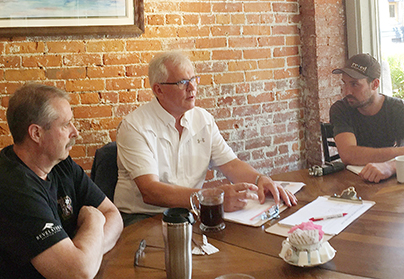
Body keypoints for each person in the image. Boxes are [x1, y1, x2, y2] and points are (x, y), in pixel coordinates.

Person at [114, 51, 297, 225]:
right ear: (159, 90)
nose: (192, 87)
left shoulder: (203, 119)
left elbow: (231, 165)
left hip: (190, 211)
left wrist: (260, 180)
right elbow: (151, 192)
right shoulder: (134, 126)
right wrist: (211, 197)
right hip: (142, 217)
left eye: (194, 79)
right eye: (183, 82)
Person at [0, 83, 123, 278]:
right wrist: (93, 219)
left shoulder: (62, 164)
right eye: (65, 124)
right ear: (36, 133)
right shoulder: (12, 186)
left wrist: (87, 254)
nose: (75, 132)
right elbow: (77, 272)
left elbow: (114, 216)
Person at [330, 53, 404, 183]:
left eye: (354, 84)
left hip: (398, 185)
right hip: (356, 184)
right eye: (345, 84)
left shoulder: (402, 110)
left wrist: (390, 167)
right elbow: (348, 154)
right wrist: (399, 152)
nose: (347, 92)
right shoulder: (341, 109)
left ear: (375, 84)